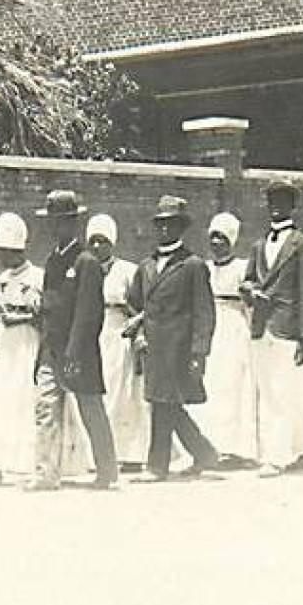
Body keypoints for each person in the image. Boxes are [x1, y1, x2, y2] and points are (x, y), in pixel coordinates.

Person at [29, 190, 119, 491]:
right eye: (52, 222)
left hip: (77, 353)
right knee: (45, 408)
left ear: (73, 223)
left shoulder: (86, 262)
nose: (56, 228)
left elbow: (88, 315)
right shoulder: (53, 261)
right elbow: (50, 306)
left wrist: (73, 354)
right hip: (51, 349)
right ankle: (45, 473)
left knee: (90, 409)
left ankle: (107, 471)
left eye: (63, 221)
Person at [126, 195, 219, 482]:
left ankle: (158, 466)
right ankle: (204, 453)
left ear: (182, 228)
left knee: (163, 402)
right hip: (152, 347)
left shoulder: (192, 265)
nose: (166, 230)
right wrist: (139, 332)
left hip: (178, 348)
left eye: (172, 225)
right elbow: (135, 304)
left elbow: (204, 312)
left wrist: (198, 353)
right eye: (162, 225)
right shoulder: (146, 266)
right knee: (165, 402)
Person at [241, 176, 303, 476]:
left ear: (292, 206)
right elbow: (247, 280)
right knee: (271, 391)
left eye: (283, 202)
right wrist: (250, 291)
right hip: (262, 326)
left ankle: (276, 457)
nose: (276, 207)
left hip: (287, 328)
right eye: (272, 202)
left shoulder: (301, 245)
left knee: (282, 391)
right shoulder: (259, 245)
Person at [0, 211, 44, 477]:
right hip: (6, 344)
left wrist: (17, 316)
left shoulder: (36, 277)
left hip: (26, 341)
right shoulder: (2, 279)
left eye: (7, 251)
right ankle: (0, 457)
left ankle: (27, 458)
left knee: (24, 394)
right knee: (3, 393)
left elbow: (40, 314)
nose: (2, 257)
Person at [87, 213, 148, 469]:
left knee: (122, 394)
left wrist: (138, 328)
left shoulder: (128, 271)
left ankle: (129, 454)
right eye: (93, 241)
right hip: (93, 333)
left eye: (103, 241)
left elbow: (144, 306)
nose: (97, 247)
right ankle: (98, 455)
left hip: (118, 334)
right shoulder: (85, 267)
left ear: (112, 242)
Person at [199, 211, 256, 466]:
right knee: (212, 386)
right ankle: (210, 445)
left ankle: (234, 448)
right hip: (210, 328)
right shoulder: (204, 268)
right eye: (213, 237)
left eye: (222, 238)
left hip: (234, 329)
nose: (216, 243)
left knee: (233, 387)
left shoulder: (242, 268)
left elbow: (250, 305)